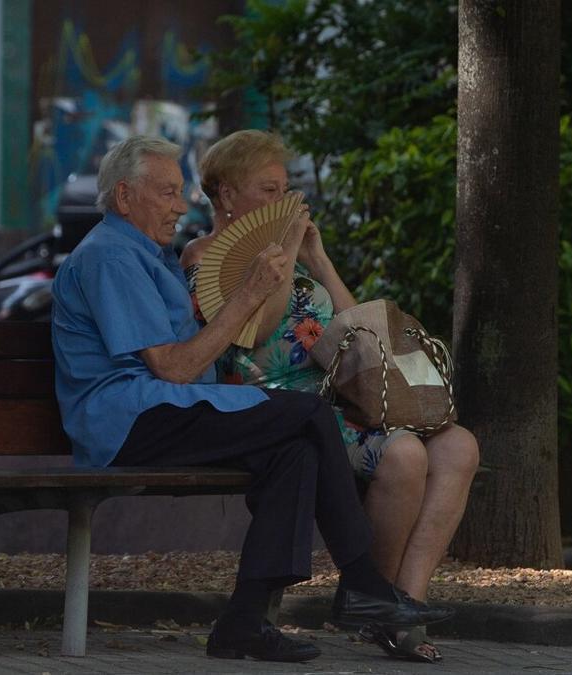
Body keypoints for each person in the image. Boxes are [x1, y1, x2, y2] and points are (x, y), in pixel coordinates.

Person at [50, 135, 453, 664]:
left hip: (162, 409)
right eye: (167, 192)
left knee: (296, 452)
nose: (180, 204)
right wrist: (250, 294)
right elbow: (172, 368)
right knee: (307, 414)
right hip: (127, 419)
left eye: (180, 192)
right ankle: (363, 585)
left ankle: (243, 622)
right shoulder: (110, 256)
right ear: (124, 197)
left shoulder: (146, 254)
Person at [181, 130, 480, 663]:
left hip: (334, 399)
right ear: (226, 195)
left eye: (285, 188)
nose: (285, 201)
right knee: (406, 453)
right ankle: (375, 602)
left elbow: (358, 337)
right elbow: (255, 330)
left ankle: (402, 602)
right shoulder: (206, 259)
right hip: (273, 411)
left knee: (458, 446)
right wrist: (287, 248)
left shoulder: (293, 264)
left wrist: (318, 261)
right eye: (269, 190)